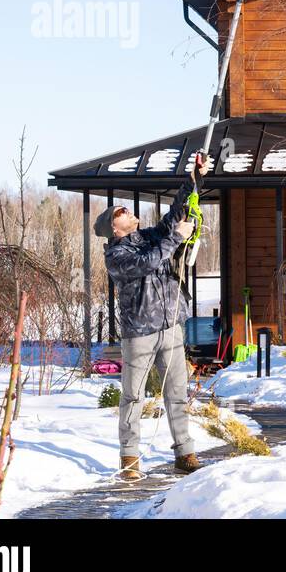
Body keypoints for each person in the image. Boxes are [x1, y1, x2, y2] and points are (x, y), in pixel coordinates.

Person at [93, 154, 207, 481]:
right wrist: (176, 238)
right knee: (132, 397)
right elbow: (149, 261)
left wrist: (194, 180)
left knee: (177, 394)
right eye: (122, 213)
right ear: (114, 228)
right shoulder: (116, 255)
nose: (129, 212)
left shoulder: (149, 237)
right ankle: (129, 459)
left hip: (170, 326)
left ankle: (185, 454)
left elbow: (175, 216)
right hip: (139, 334)